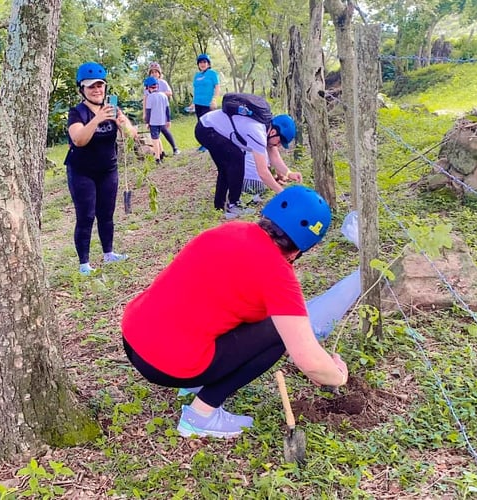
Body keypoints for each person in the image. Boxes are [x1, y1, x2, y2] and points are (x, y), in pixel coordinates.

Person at [122, 185, 353, 438]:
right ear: (301, 250)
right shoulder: (278, 276)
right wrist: (337, 376)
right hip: (166, 365)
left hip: (132, 336)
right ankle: (201, 416)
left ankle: (195, 383)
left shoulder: (229, 230)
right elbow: (308, 360)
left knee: (256, 318)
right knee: (277, 333)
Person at [65, 62, 138, 276]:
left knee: (106, 213)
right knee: (86, 216)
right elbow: (78, 139)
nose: (97, 90)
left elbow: (131, 135)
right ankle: (84, 264)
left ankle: (109, 253)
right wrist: (98, 118)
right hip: (82, 171)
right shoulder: (77, 113)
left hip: (108, 169)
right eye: (91, 87)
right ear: (82, 89)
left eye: (100, 85)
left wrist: (121, 121)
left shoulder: (113, 109)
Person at [195, 108, 303, 218]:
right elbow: (263, 173)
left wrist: (289, 173)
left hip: (206, 125)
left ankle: (219, 206)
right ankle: (234, 205)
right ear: (274, 132)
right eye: (280, 142)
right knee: (236, 159)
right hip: (207, 129)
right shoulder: (258, 131)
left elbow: (274, 156)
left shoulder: (267, 127)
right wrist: (282, 194)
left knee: (226, 167)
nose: (278, 146)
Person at [143, 76, 178, 162]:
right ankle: (162, 152)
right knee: (158, 137)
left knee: (154, 139)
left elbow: (148, 111)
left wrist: (147, 122)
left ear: (148, 87)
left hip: (153, 122)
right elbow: (167, 109)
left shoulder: (150, 97)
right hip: (162, 121)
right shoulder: (163, 95)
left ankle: (157, 158)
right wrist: (168, 120)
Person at [190, 54, 220, 152]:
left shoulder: (212, 73)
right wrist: (193, 103)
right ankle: (204, 143)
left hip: (208, 103)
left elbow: (217, 87)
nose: (202, 64)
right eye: (200, 62)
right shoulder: (197, 76)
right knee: (200, 124)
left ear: (208, 63)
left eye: (204, 62)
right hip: (198, 103)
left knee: (208, 123)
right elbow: (196, 90)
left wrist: (214, 99)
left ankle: (212, 143)